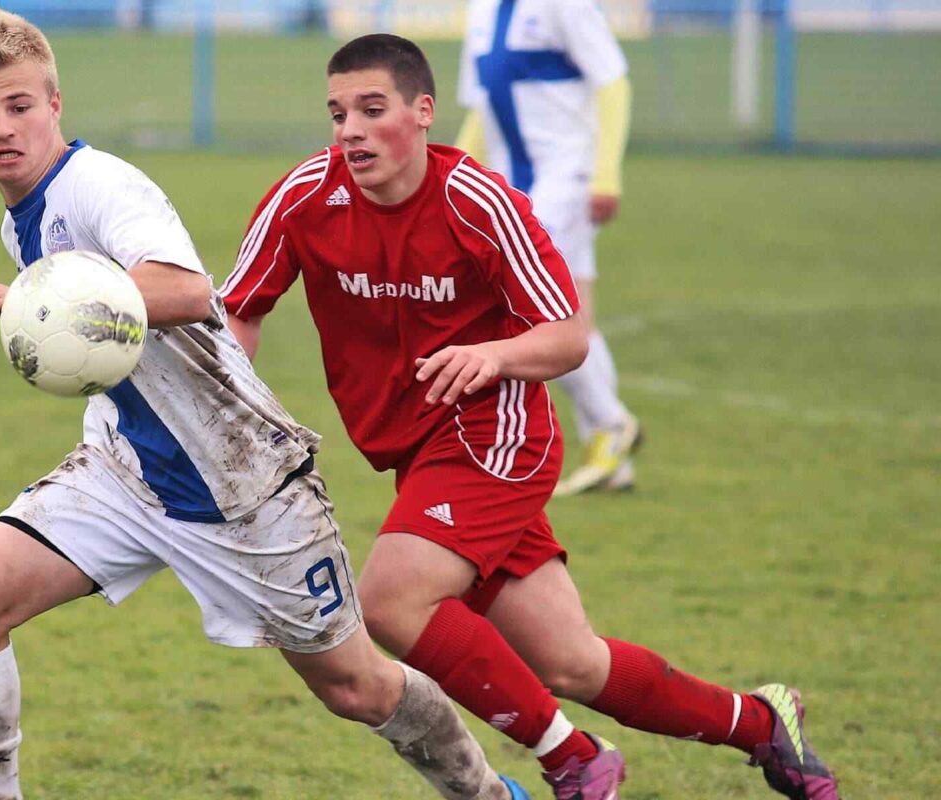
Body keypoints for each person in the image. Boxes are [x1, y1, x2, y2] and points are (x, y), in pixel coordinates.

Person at [0, 10, 532, 800]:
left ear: (55, 105)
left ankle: (488, 793)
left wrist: (41, 298)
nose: (3, 128)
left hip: (243, 486)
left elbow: (185, 291)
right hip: (126, 472)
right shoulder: (25, 214)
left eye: (19, 106)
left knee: (358, 688)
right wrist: (40, 298)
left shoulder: (99, 184)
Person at [222, 33, 840, 800]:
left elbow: (568, 335)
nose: (349, 129)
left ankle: (573, 757)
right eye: (338, 112)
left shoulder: (477, 202)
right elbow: (237, 313)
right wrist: (228, 407)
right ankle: (762, 723)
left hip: (495, 438)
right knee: (572, 663)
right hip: (416, 453)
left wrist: (495, 357)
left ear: (422, 113)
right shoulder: (305, 198)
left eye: (370, 109)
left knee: (389, 599)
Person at [457, 0, 640, 495]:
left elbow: (613, 82)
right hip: (514, 187)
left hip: (567, 178)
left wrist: (605, 173)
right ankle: (610, 453)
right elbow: (481, 107)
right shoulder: (479, 12)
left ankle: (611, 421)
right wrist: (454, 173)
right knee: (573, 313)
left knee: (532, 311)